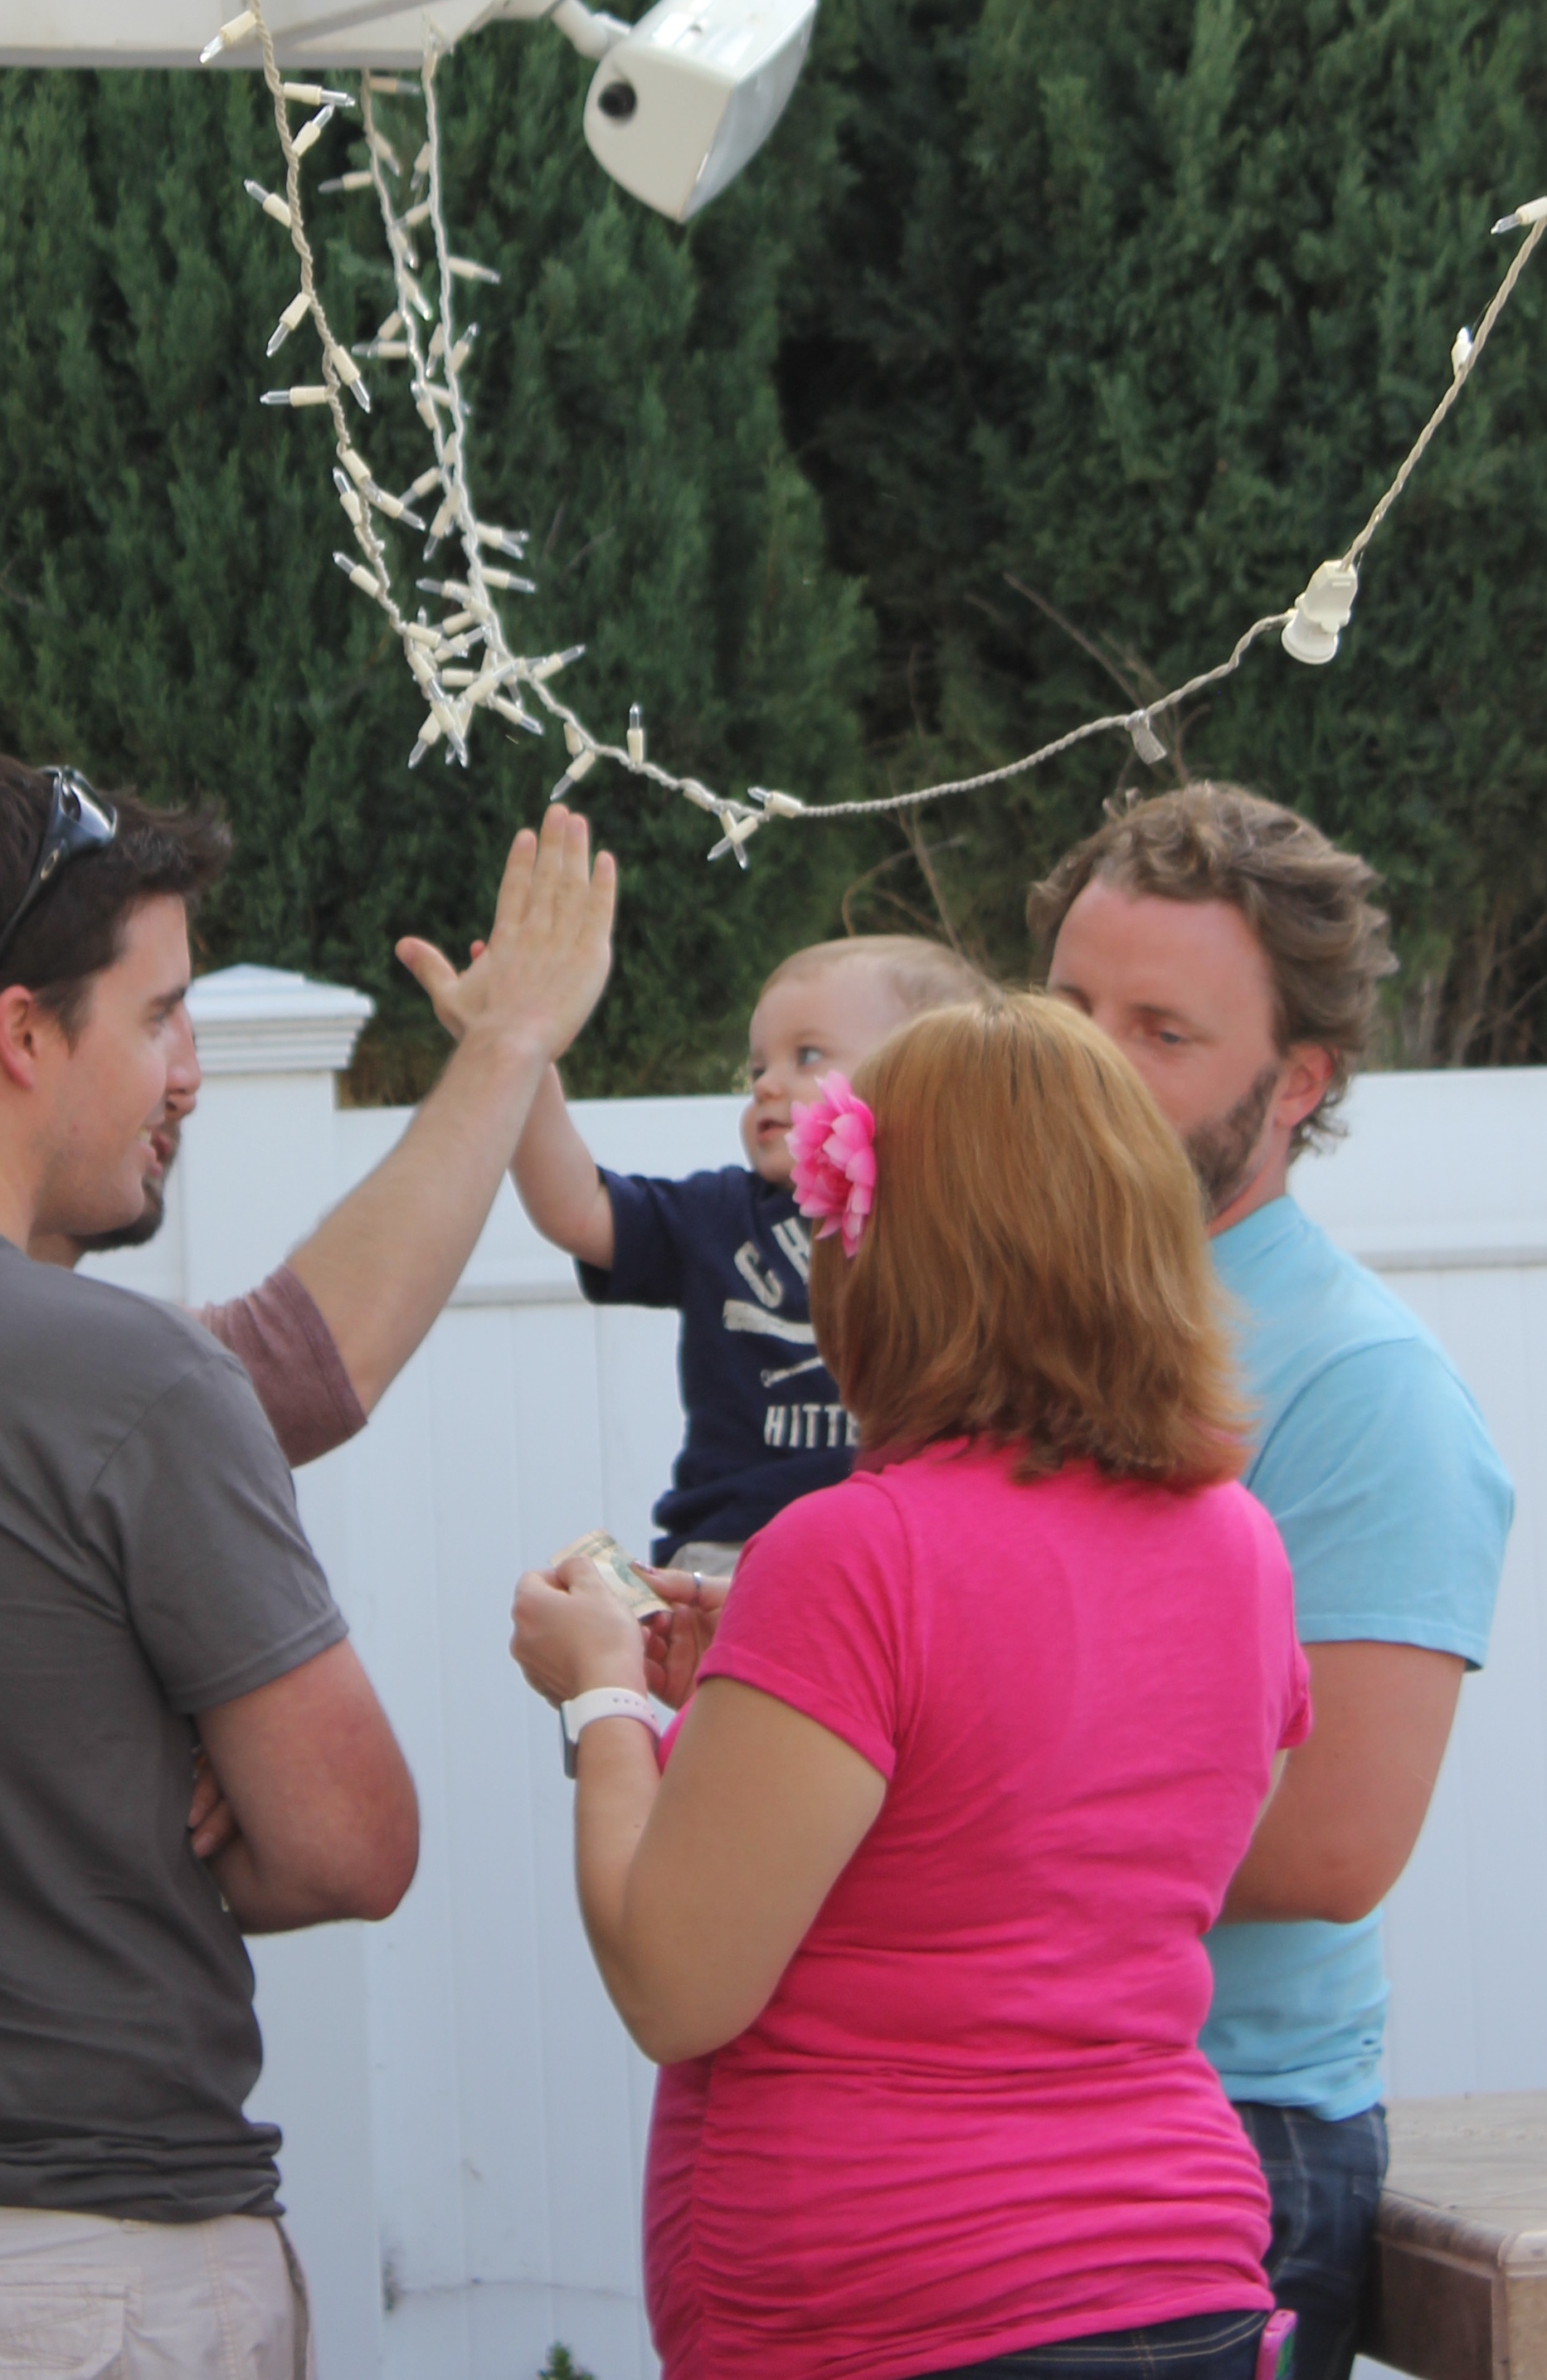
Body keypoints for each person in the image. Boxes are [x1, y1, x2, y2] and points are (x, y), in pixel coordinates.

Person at [0, 751, 613, 2380]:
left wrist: (507, 1052)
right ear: (21, 1034)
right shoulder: (121, 1384)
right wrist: (169, 1772)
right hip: (58, 2288)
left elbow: (291, 1361)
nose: (191, 1072)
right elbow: (353, 1842)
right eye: (158, 1015)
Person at [512, 991, 1311, 2380]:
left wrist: (604, 1699)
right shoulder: (1238, 1543)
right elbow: (1075, 1839)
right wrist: (768, 1674)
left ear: (882, 1263)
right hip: (1183, 2283)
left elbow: (673, 1985)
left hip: (889, 2306)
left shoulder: (853, 1550)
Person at [1032, 781, 1515, 2380]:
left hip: (1217, 2130)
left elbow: (1331, 1841)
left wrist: (899, 1790)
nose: (1088, 1065)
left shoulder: (1367, 1386)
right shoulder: (991, 1316)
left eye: (1160, 1031)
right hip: (960, 2107)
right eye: (1070, 1008)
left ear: (1299, 1079)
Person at [435, 931, 986, 1568]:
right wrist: (518, 1056)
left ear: (927, 1075)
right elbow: (577, 1210)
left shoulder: (962, 1229)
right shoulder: (719, 1214)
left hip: (905, 1553)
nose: (767, 1084)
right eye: (757, 1069)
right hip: (733, 1554)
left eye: (806, 1055)